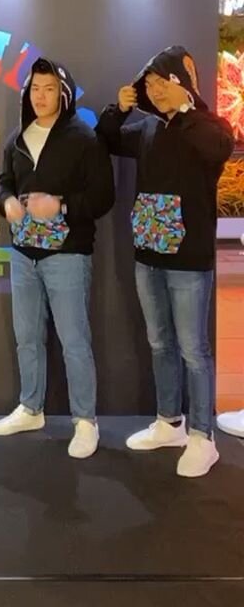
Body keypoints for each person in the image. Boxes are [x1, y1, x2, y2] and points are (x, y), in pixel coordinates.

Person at [96, 46, 234, 477]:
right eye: (150, 85)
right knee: (160, 342)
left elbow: (218, 149)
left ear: (182, 83)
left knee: (194, 349)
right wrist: (119, 110)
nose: (156, 91)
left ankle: (203, 437)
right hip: (147, 254)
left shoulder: (209, 126)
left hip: (189, 260)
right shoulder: (148, 129)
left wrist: (185, 107)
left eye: (163, 83)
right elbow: (106, 138)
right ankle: (169, 422)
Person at [0, 57, 115, 459]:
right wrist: (7, 202)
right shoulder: (18, 138)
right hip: (23, 254)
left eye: (49, 89)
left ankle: (85, 421)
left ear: (63, 94)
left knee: (74, 340)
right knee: (27, 336)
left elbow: (103, 197)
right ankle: (31, 408)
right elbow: (3, 182)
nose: (40, 97)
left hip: (67, 254)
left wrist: (60, 205)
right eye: (35, 89)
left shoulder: (84, 138)